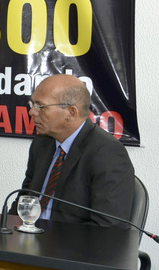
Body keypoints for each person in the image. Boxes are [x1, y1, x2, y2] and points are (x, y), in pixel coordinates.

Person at [12, 74, 134, 227]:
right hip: (31, 235)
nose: (32, 112)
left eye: (40, 106)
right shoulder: (42, 143)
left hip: (71, 240)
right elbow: (25, 197)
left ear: (71, 112)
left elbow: (108, 226)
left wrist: (49, 238)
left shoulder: (107, 152)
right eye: (32, 104)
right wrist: (7, 230)